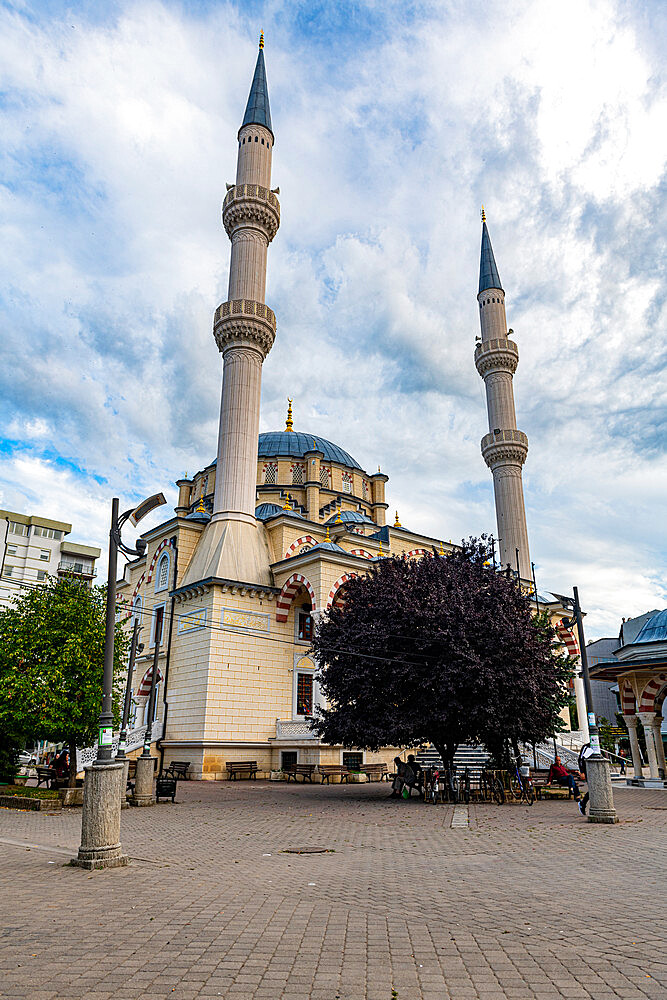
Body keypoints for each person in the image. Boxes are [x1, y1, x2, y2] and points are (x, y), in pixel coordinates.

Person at [577, 743, 596, 816]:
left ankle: (584, 803)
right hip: (587, 770)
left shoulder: (597, 747)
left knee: (596, 788)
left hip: (595, 770)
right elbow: (581, 759)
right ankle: (583, 803)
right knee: (593, 789)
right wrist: (582, 772)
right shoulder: (587, 746)